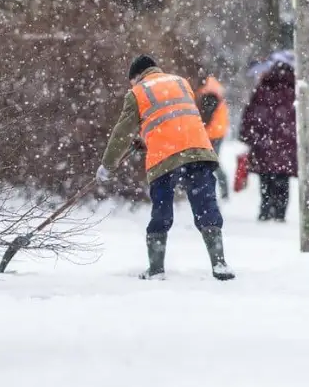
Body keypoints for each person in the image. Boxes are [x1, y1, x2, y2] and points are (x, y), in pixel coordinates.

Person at [96, 54, 235, 281]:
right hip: (198, 151)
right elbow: (174, 118)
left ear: (137, 76)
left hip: (164, 158)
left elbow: (122, 133)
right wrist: (147, 138)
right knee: (205, 206)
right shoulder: (181, 82)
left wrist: (108, 164)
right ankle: (219, 263)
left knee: (161, 211)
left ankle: (156, 269)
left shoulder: (137, 92)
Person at [238, 59, 297, 222]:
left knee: (266, 178)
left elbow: (250, 115)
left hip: (263, 142)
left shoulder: (262, 89)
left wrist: (246, 135)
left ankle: (265, 209)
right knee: (282, 179)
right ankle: (280, 213)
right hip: (286, 144)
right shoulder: (293, 90)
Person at [192, 66, 230, 200]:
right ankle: (220, 189)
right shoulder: (213, 88)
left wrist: (198, 128)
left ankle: (216, 190)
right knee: (211, 162)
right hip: (217, 131)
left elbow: (206, 116)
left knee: (210, 162)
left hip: (212, 133)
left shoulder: (209, 93)